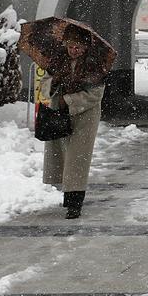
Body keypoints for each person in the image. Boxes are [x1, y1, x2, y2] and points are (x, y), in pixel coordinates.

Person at [42, 39, 107, 219]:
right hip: (61, 115)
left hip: (85, 117)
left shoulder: (93, 66)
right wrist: (53, 83)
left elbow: (95, 94)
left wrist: (69, 100)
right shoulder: (58, 62)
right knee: (64, 157)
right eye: (70, 47)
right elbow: (45, 85)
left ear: (85, 47)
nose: (73, 50)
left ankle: (75, 203)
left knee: (77, 159)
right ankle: (69, 197)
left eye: (77, 47)